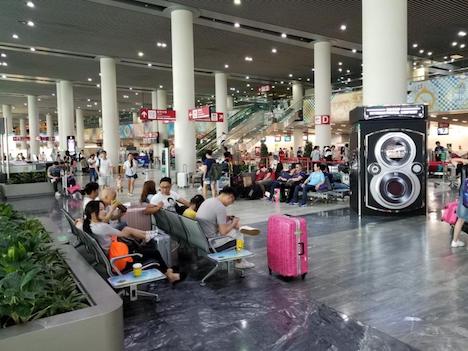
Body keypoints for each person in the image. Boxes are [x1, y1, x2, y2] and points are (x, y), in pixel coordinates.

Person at [82, 200, 184, 284]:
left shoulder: (89, 226)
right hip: (120, 261)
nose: (104, 211)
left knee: (140, 245)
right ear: (92, 213)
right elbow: (122, 234)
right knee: (154, 253)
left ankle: (168, 272)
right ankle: (170, 275)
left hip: (113, 258)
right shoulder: (101, 227)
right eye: (101, 210)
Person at [196, 186, 259, 269]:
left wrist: (227, 218)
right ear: (230, 196)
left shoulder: (208, 201)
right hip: (213, 244)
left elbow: (212, 218)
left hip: (202, 240)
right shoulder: (220, 207)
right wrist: (234, 222)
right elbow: (223, 232)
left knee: (230, 223)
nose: (229, 204)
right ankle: (239, 261)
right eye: (231, 202)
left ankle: (239, 227)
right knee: (239, 232)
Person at [450, 158, 468, 247]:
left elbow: (453, 160)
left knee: (460, 219)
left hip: (464, 195)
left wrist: (464, 160)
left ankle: (455, 241)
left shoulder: (463, 167)